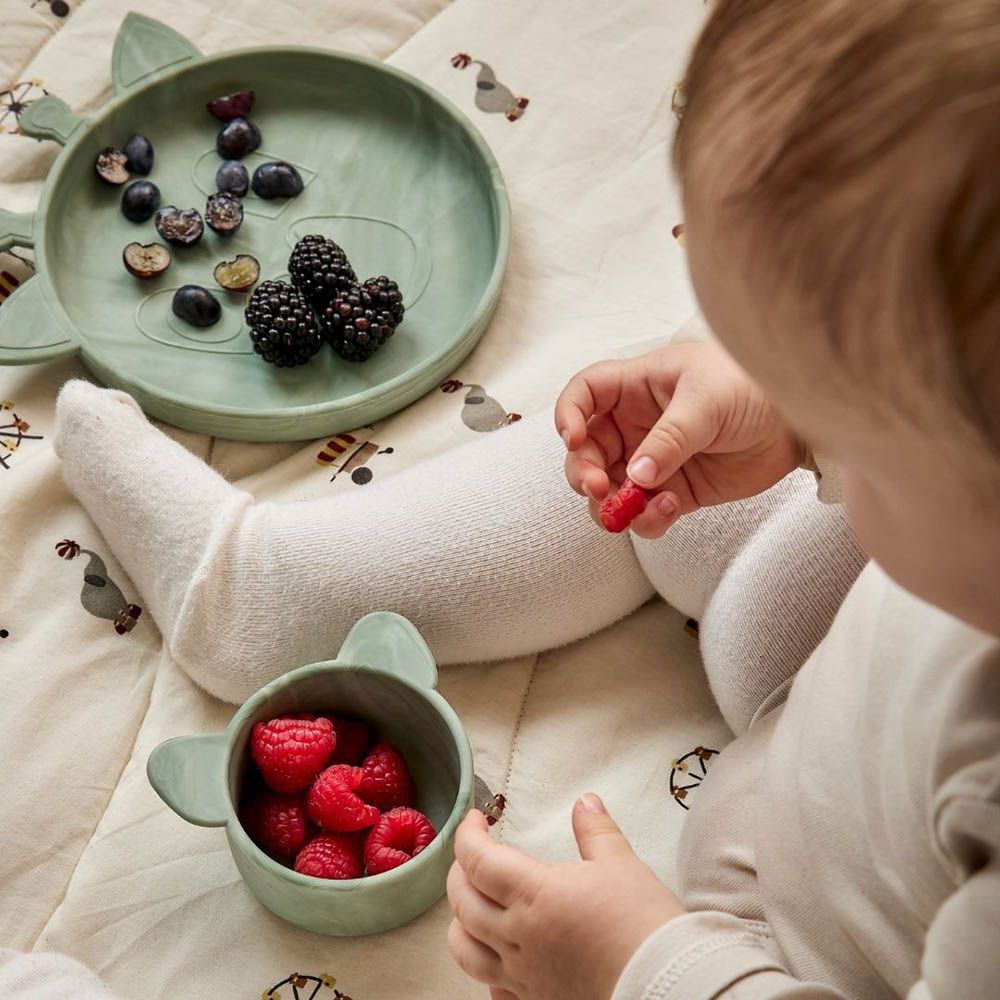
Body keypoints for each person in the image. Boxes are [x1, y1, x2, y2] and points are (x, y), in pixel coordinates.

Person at [32, 0, 999, 996]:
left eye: (847, 433)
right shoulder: (961, 506)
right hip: (847, 665)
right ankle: (264, 587)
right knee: (647, 475)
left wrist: (642, 965)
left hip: (791, 943)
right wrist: (790, 418)